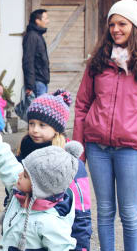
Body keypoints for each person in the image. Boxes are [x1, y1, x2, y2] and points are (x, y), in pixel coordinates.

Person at [73, 0, 137, 251]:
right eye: (111, 24)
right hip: (97, 147)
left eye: (122, 23)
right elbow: (82, 105)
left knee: (129, 212)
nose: (115, 29)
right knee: (104, 210)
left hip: (131, 150)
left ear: (134, 26)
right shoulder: (99, 60)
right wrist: (78, 148)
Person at [0, 113, 82, 251]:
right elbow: (6, 161)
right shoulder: (22, 192)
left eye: (24, 175)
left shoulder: (50, 223)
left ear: (39, 187)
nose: (19, 174)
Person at [13, 89, 92, 251]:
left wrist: (82, 246)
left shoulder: (67, 162)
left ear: (57, 128)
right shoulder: (25, 150)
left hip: (56, 236)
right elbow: (13, 191)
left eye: (42, 125)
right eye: (31, 123)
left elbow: (81, 209)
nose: (35, 129)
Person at [22, 9, 50, 98]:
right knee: (38, 111)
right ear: (38, 21)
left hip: (42, 82)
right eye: (45, 18)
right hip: (37, 83)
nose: (48, 21)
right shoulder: (32, 36)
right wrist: (30, 85)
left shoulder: (38, 35)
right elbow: (28, 61)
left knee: (41, 110)